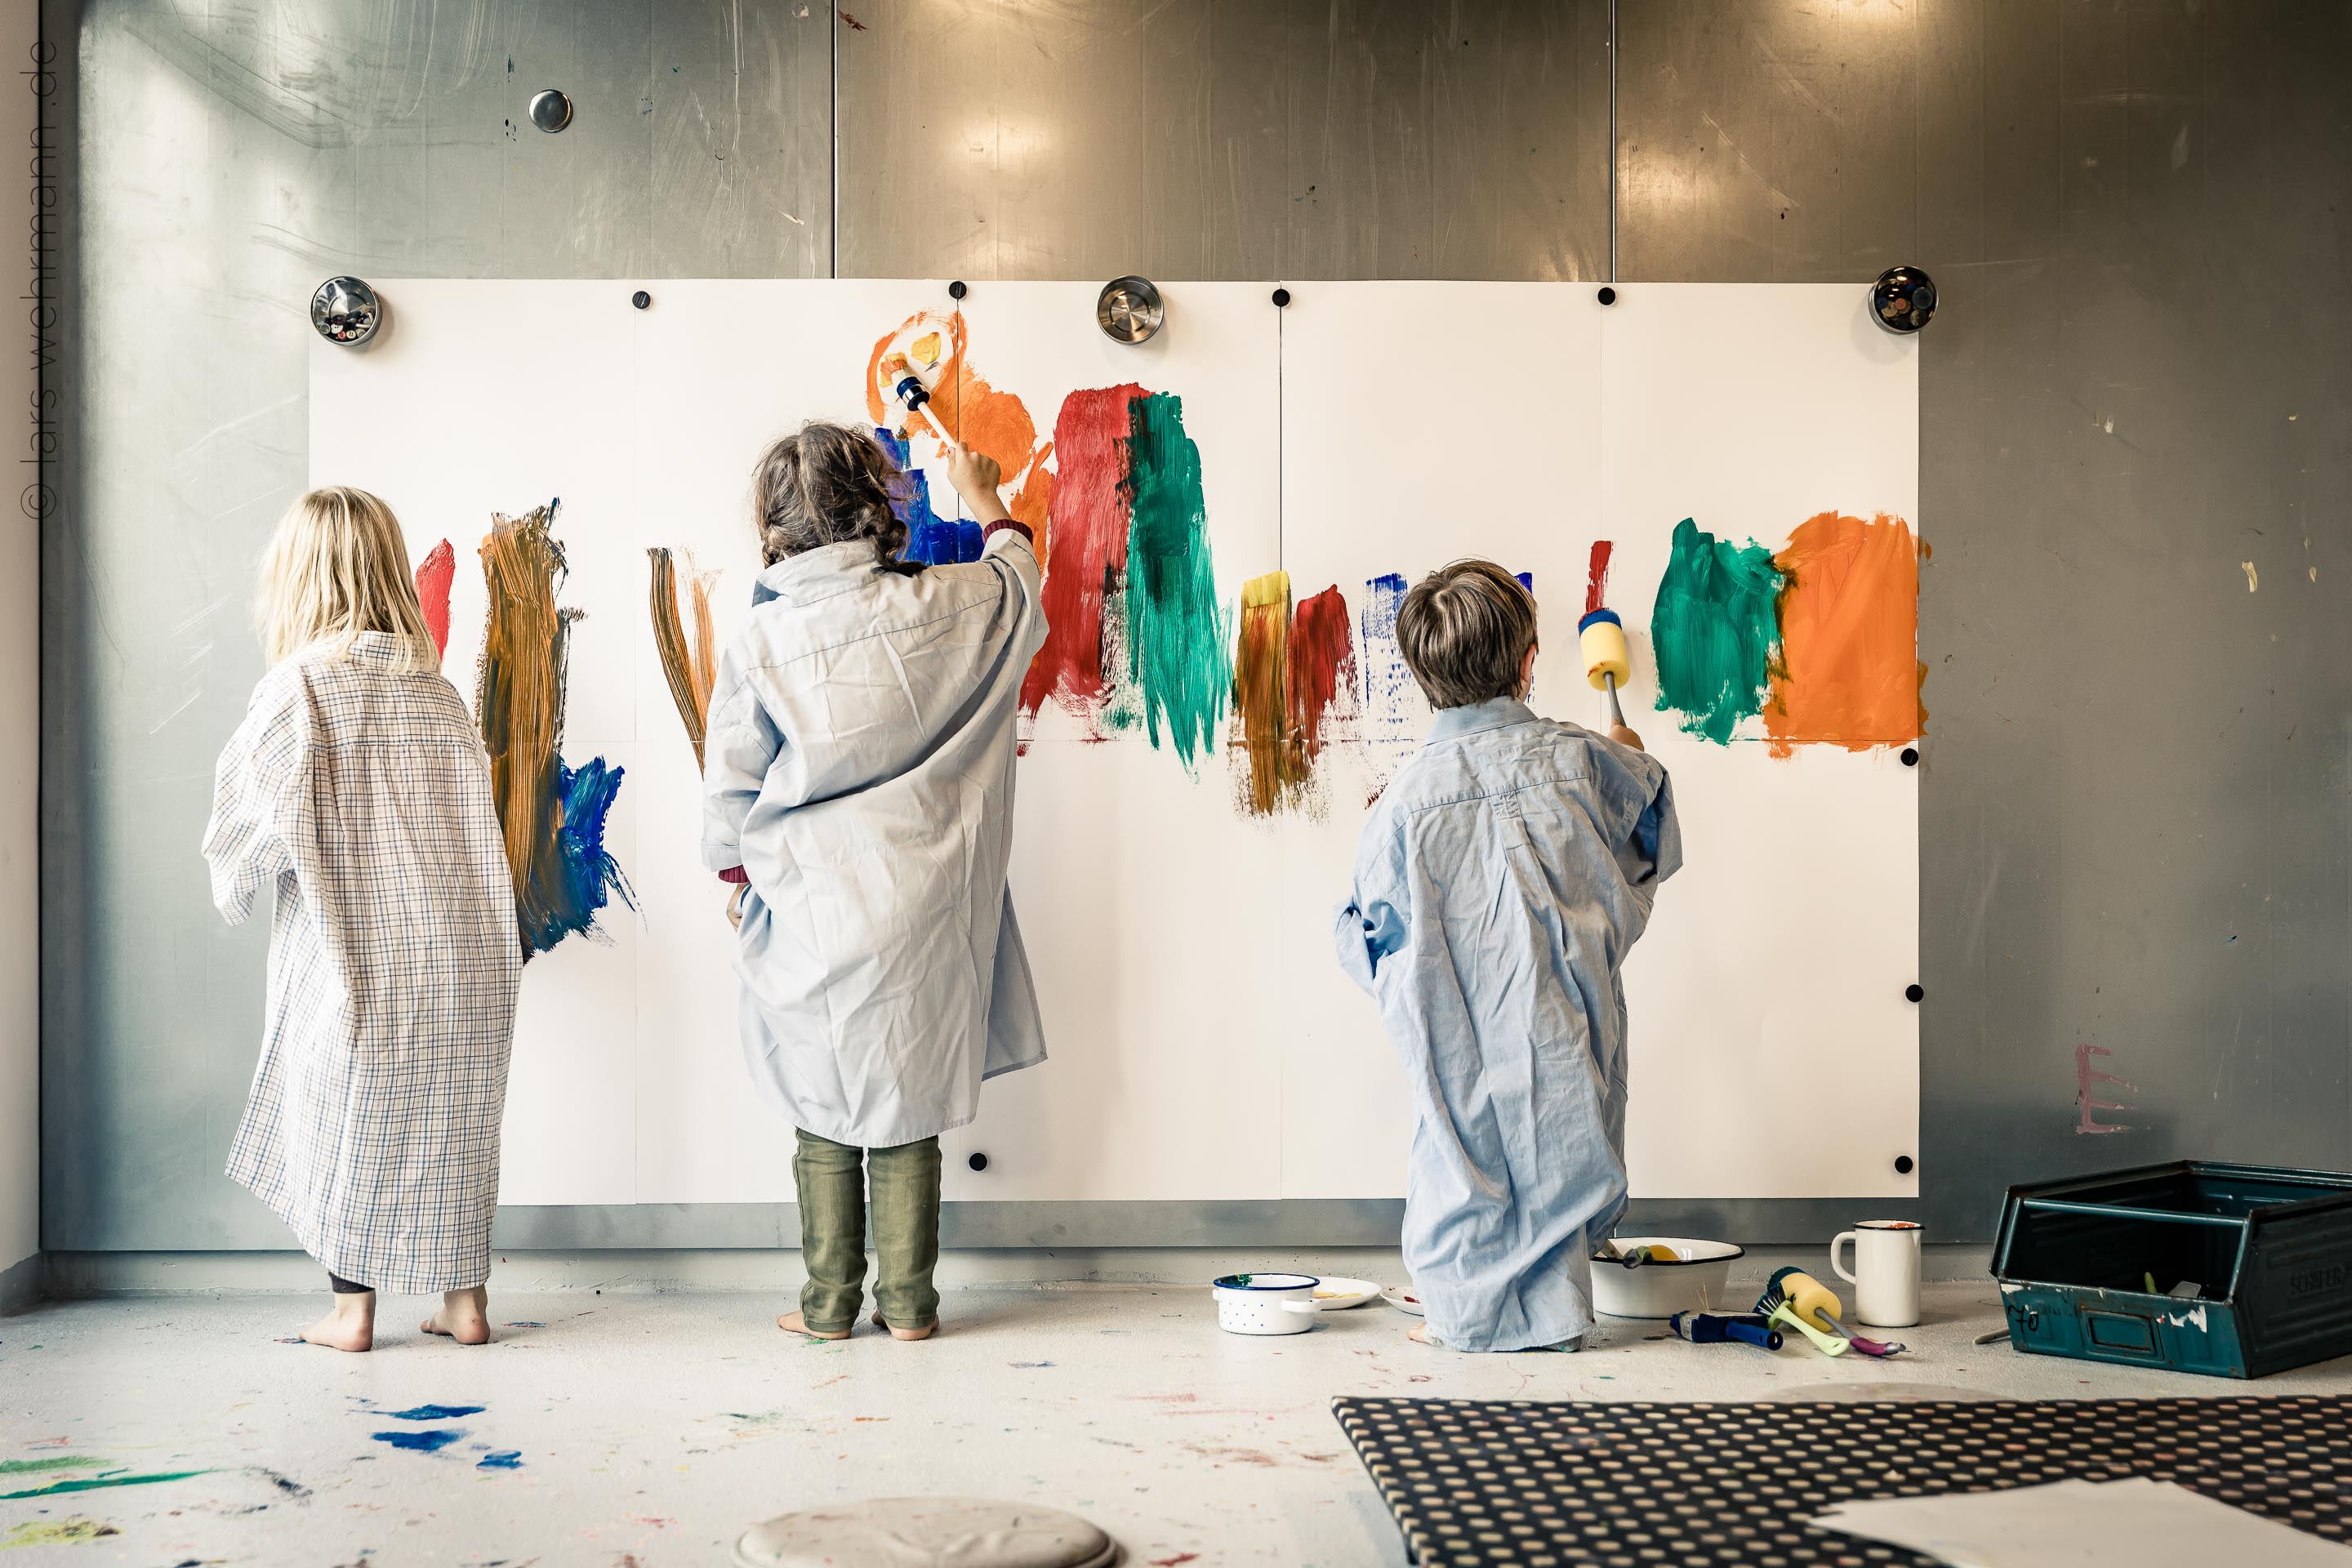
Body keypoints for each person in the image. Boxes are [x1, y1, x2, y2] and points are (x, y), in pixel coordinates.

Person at [702, 423, 1048, 1343]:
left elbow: (731, 790)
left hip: (812, 901)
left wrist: (737, 877)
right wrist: (984, 498)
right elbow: (1020, 580)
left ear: (773, 526)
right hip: (926, 901)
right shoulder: (950, 603)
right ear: (877, 507)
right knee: (907, 1110)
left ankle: (826, 1308)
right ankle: (911, 1310)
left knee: (822, 1109)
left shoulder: (761, 638)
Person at [203, 486, 520, 1352]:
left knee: (343, 1119)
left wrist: (235, 878)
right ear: (386, 572)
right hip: (464, 956)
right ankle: (465, 1304)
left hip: (356, 956)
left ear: (298, 581)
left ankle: (352, 1312)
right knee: (454, 1119)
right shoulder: (440, 696)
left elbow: (244, 836)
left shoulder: (296, 691)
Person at [1335, 560, 1680, 1352]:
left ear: (1424, 677)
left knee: (1461, 1148)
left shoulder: (1400, 806)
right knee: (1562, 1131)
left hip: (1455, 1026)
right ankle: (1551, 1307)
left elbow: (1368, 946)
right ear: (1528, 663)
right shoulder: (1584, 763)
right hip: (1565, 1013)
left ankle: (1465, 1309)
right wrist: (1627, 751)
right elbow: (1647, 838)